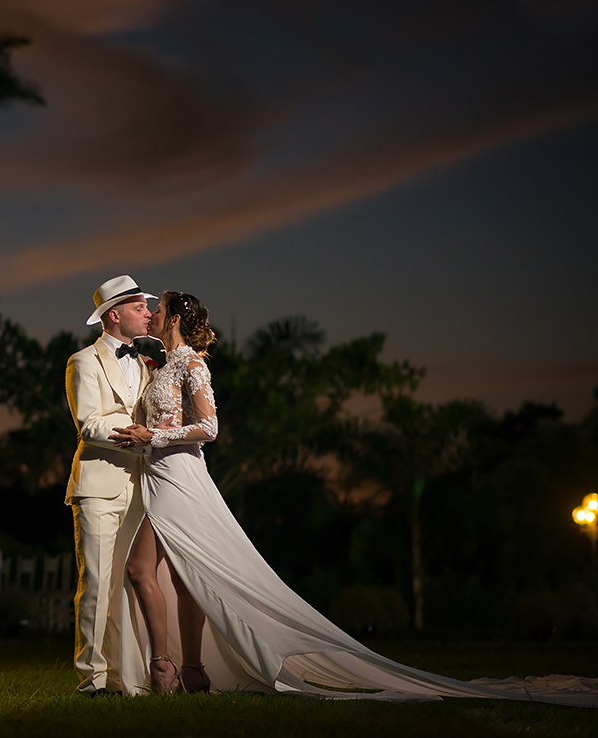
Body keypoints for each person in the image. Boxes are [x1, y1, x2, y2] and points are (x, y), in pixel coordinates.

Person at [109, 291, 597, 706]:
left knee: (152, 570)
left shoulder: (192, 364)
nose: (150, 313)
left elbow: (211, 427)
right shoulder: (162, 366)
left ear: (175, 318)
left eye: (158, 308)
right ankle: (190, 670)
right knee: (183, 574)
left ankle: (170, 666)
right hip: (159, 474)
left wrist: (154, 436)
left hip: (180, 477)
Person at [64, 275, 155, 696]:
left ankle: (123, 677)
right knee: (98, 583)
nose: (149, 314)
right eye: (140, 308)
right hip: (98, 486)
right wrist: (139, 435)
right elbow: (89, 423)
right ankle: (92, 679)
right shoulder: (82, 361)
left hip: (141, 487)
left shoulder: (147, 363)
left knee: (126, 586)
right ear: (114, 315)